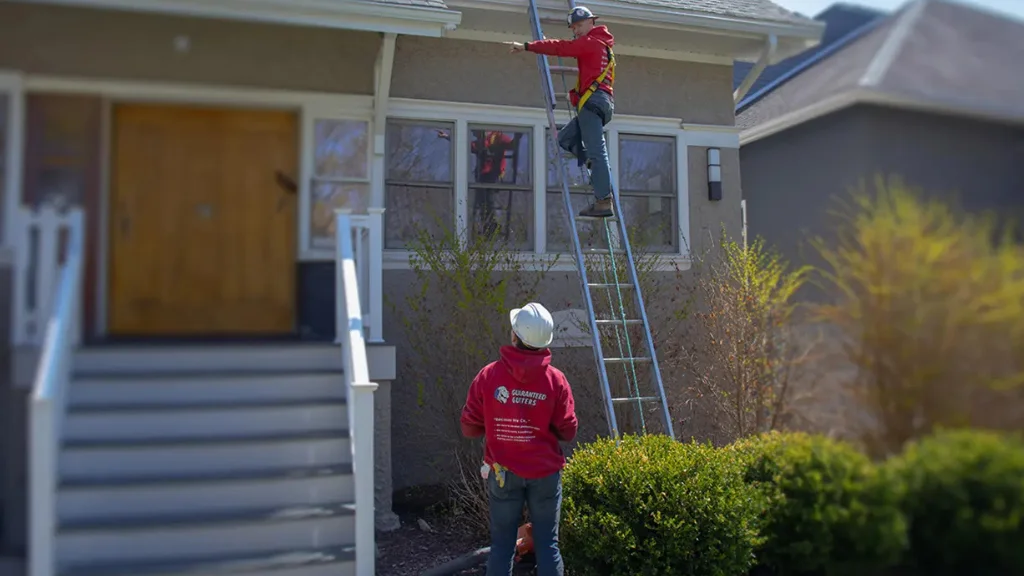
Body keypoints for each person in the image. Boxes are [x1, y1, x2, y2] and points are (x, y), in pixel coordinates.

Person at [460, 302, 579, 576]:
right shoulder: (555, 380)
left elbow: (469, 428)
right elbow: (568, 430)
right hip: (545, 474)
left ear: (515, 336)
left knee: (502, 546)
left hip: (503, 472)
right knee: (548, 544)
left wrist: (493, 421)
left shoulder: (489, 376)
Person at [505, 6, 616, 219]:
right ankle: (590, 162)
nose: (576, 30)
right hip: (599, 103)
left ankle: (603, 201)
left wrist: (527, 46)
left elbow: (561, 47)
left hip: (592, 104)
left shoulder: (591, 43)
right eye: (573, 27)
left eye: (579, 25)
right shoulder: (602, 44)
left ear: (591, 22)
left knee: (598, 153)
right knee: (565, 138)